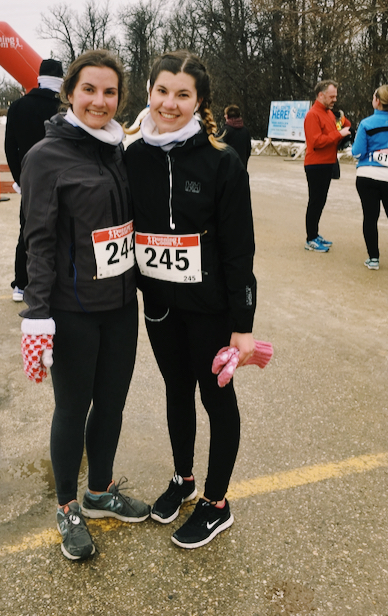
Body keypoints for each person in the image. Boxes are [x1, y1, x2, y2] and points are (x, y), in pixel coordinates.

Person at [19, 50, 150, 561]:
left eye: (110, 92)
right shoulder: (45, 157)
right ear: (69, 93)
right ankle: (68, 506)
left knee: (112, 405)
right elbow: (38, 243)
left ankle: (99, 491)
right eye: (89, 90)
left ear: (120, 98)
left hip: (120, 306)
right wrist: (36, 316)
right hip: (72, 311)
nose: (100, 101)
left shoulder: (118, 150)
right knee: (73, 409)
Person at [124, 50, 257, 550]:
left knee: (215, 398)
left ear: (199, 102)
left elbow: (239, 251)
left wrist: (243, 324)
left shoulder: (222, 162)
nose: (170, 103)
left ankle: (217, 503)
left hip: (211, 310)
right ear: (149, 92)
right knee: (175, 390)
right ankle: (183, 479)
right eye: (162, 91)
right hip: (160, 307)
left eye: (183, 95)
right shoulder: (133, 157)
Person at [5, 59, 64, 302]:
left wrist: (20, 180)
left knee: (27, 232)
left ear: (39, 79)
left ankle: (21, 283)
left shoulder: (18, 106)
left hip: (30, 181)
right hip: (63, 180)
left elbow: (10, 147)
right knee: (62, 232)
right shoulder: (65, 108)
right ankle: (57, 282)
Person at [303, 80, 351, 252]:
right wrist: (338, 134)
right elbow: (316, 142)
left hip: (328, 162)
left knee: (320, 201)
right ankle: (310, 238)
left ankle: (314, 234)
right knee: (315, 201)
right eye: (331, 97)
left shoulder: (329, 113)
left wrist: (344, 124)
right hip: (316, 164)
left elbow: (343, 126)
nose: (334, 100)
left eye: (335, 96)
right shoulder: (313, 115)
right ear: (320, 95)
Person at [352, 85, 388, 270]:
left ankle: (373, 259)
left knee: (370, 217)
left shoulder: (366, 123)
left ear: (377, 101)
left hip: (367, 175)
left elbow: (357, 152)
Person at [221, 104, 251, 168]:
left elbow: (219, 150)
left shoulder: (225, 131)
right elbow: (248, 150)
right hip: (241, 167)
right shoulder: (245, 131)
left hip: (227, 168)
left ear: (227, 116)